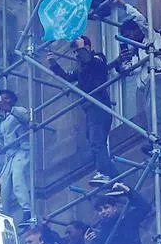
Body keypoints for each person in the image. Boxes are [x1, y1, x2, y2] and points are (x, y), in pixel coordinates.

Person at [111, 0, 161, 169]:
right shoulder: (136, 53)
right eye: (126, 36)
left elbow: (139, 19)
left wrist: (122, 4)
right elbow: (129, 72)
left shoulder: (150, 37)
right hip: (146, 86)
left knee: (154, 113)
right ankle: (160, 149)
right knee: (151, 116)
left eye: (130, 33)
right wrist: (120, 62)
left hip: (158, 79)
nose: (129, 37)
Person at [47, 38, 121, 188]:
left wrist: (82, 47)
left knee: (96, 141)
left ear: (87, 47)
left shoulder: (97, 59)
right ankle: (110, 174)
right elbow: (67, 76)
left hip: (99, 106)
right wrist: (53, 63)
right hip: (91, 108)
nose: (76, 54)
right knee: (93, 140)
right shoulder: (81, 68)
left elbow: (90, 61)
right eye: (75, 51)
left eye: (77, 50)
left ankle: (107, 173)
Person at [0, 88, 34, 225]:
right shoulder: (3, 121)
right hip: (10, 155)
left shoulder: (18, 110)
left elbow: (26, 119)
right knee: (2, 187)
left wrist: (10, 108)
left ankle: (27, 210)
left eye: (4, 98)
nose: (1, 101)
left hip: (21, 151)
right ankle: (3, 217)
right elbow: (2, 136)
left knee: (18, 179)